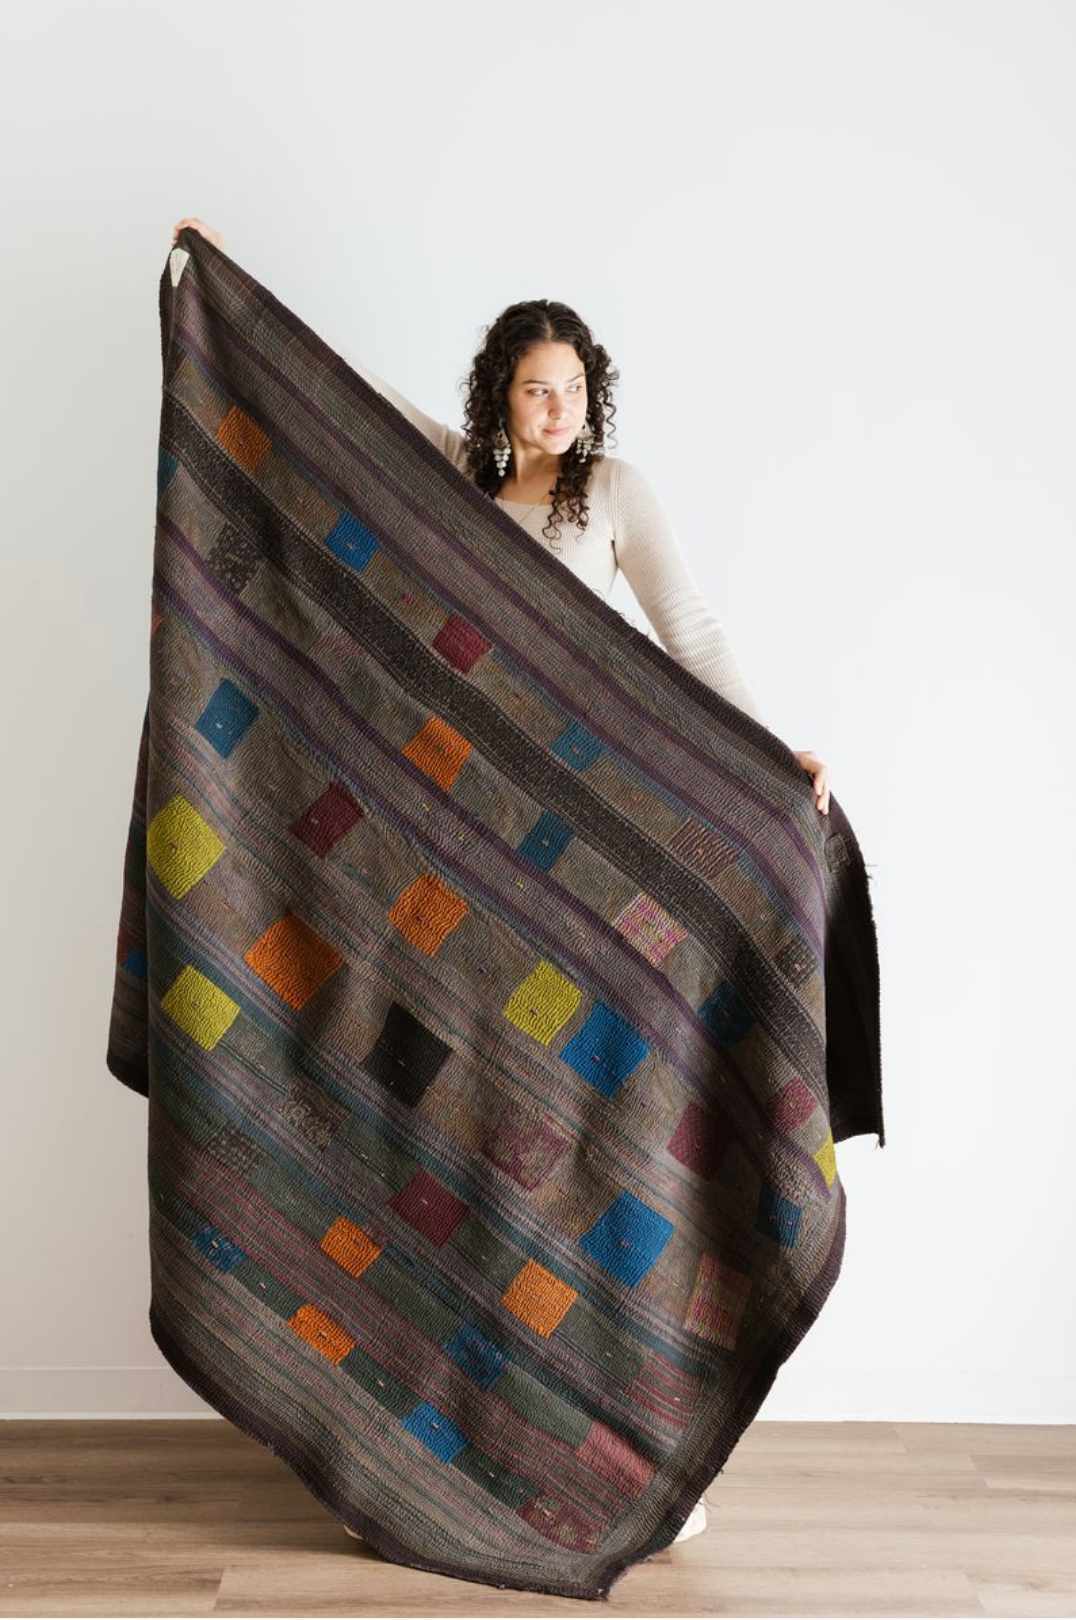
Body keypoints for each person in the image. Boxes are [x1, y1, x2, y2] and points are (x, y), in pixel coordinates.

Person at [168, 216, 833, 1550]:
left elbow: (690, 632)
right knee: (463, 1114)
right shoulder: (454, 480)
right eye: (535, 388)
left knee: (602, 1118)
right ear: (499, 394)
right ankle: (433, 1449)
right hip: (460, 845)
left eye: (573, 388)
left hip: (586, 849)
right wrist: (228, 279)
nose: (557, 408)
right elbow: (344, 405)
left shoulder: (616, 494)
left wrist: (772, 757)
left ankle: (643, 1452)